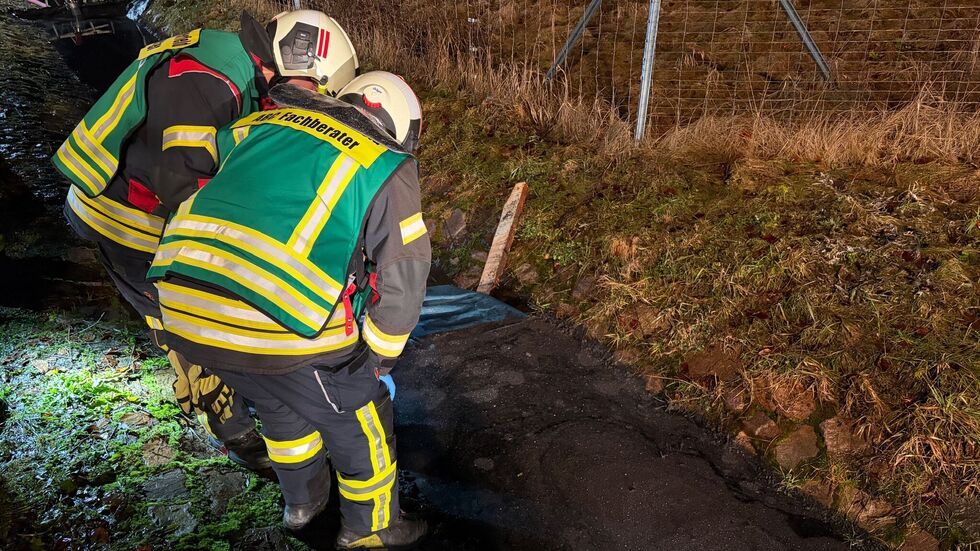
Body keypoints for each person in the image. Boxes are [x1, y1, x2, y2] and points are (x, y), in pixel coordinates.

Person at [51, 9, 359, 471]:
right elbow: (182, 183)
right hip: (125, 216)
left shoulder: (238, 65)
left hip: (147, 207)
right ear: (297, 65)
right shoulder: (207, 77)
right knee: (183, 318)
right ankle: (235, 434)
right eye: (315, 94)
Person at [146, 71, 429, 548]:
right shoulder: (386, 165)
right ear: (400, 130)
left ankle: (302, 507)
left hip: (182, 304)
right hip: (279, 327)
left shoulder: (265, 124)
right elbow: (403, 274)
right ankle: (373, 531)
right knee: (361, 423)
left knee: (280, 408)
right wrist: (377, 361)